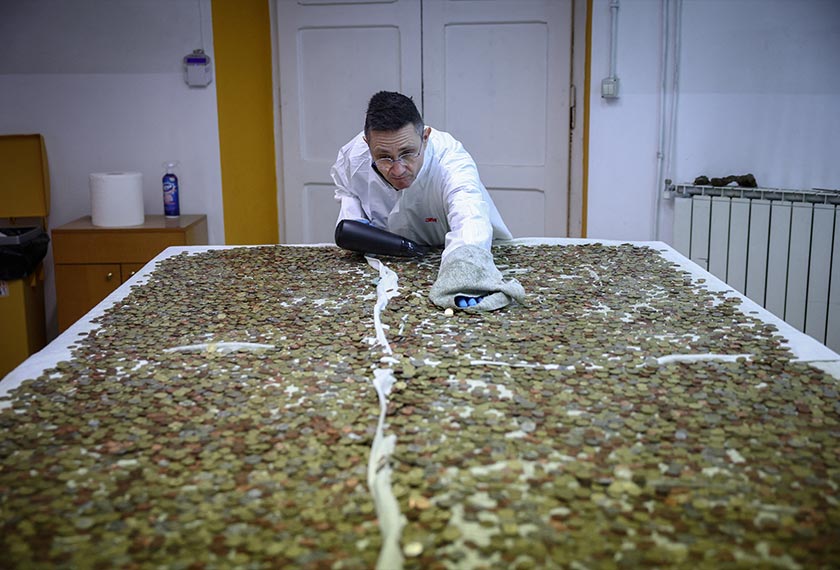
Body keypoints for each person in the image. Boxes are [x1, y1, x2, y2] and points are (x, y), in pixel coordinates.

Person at [331, 91, 525, 311]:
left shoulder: (451, 161)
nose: (397, 169)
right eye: (384, 157)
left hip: (453, 250)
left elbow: (469, 213)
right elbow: (349, 206)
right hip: (392, 260)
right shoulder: (352, 158)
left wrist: (466, 272)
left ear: (425, 137)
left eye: (407, 153)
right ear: (367, 145)